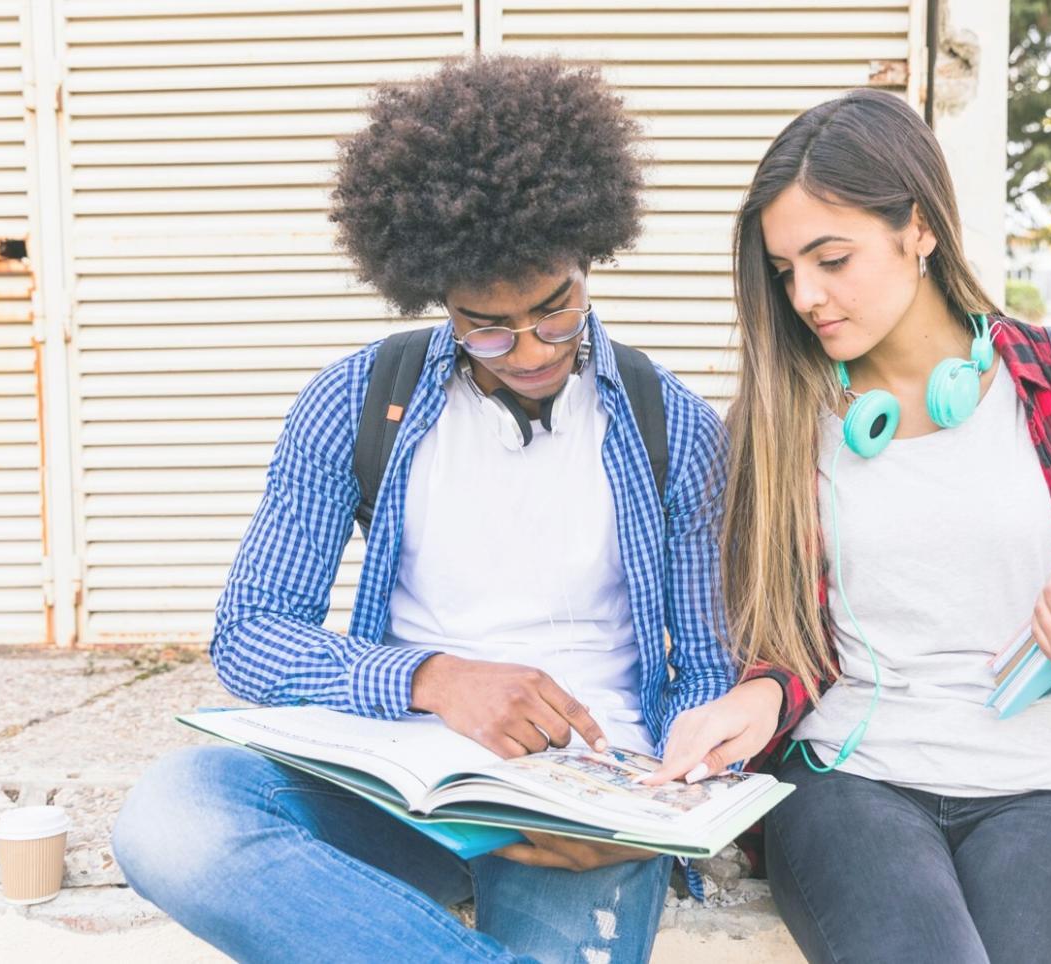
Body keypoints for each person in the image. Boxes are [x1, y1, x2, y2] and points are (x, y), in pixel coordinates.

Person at [111, 55, 733, 964]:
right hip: (401, 782)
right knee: (174, 815)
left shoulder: (670, 425)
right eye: (486, 325)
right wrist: (433, 679)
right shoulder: (355, 401)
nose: (527, 351)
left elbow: (706, 669)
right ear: (435, 294)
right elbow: (249, 634)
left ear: (589, 259)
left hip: (587, 805)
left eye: (554, 313)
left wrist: (660, 812)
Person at [643, 89, 1051, 963]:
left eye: (832, 259)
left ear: (919, 227)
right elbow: (788, 646)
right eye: (785, 270)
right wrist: (758, 697)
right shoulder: (775, 422)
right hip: (850, 784)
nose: (805, 295)